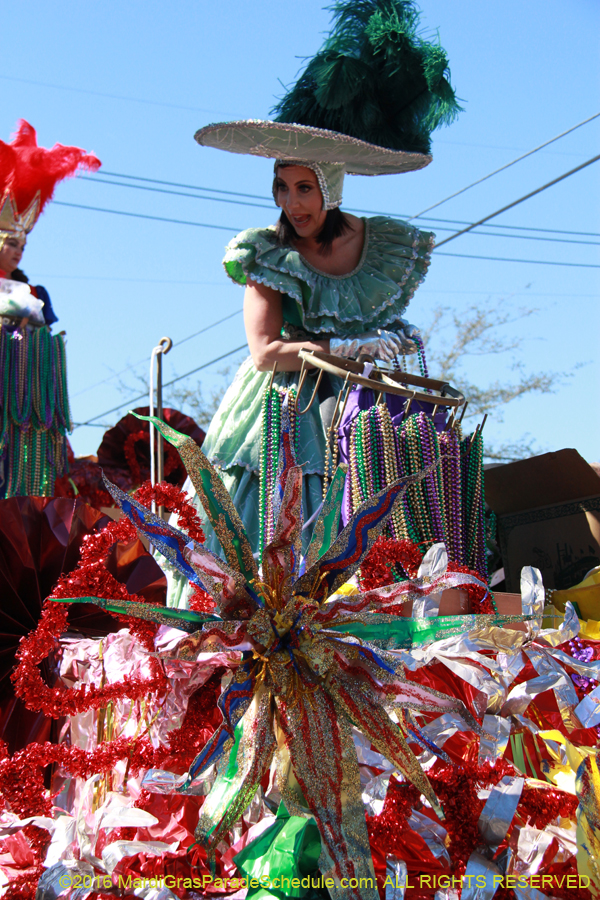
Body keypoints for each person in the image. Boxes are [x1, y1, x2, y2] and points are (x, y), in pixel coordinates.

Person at [166, 0, 460, 603]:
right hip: (285, 413)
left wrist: (399, 340)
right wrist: (348, 348)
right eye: (281, 186)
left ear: (332, 186)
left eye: (305, 187)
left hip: (369, 413)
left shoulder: (380, 246)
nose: (292, 202)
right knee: (272, 534)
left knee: (386, 520)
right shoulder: (267, 255)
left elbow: (393, 327)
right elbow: (266, 351)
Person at [0, 120, 100, 496]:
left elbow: (44, 331)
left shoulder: (33, 290)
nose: (18, 251)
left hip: (22, 403)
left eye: (23, 246)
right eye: (12, 243)